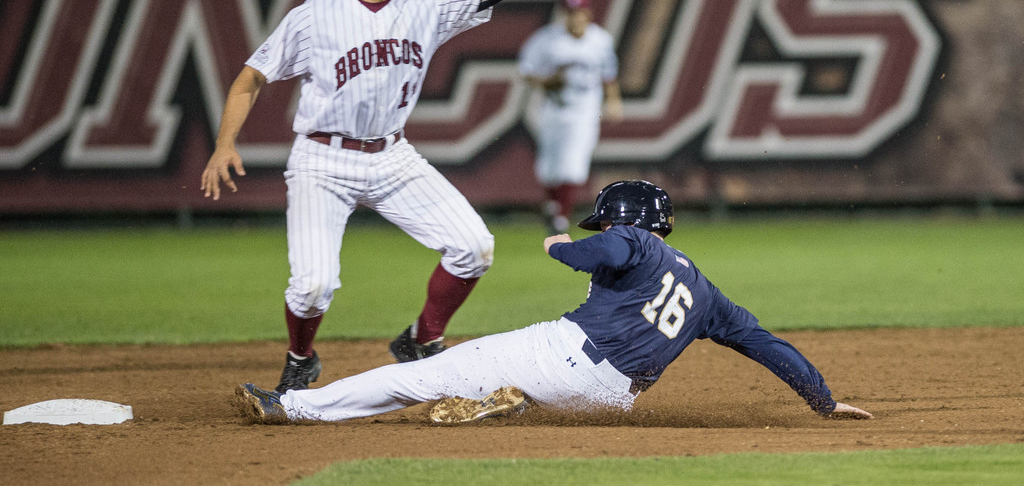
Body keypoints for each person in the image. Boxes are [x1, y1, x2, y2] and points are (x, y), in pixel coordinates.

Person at [200, 0, 601, 392]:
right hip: (322, 160)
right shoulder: (316, 14)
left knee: (474, 247)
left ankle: (420, 339)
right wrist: (224, 144)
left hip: (392, 156)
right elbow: (251, 77)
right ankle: (301, 357)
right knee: (313, 286)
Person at [232, 180, 874, 424]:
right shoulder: (704, 292)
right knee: (500, 377)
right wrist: (820, 397)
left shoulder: (628, 241)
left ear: (622, 220)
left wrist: (562, 246)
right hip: (612, 399)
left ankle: (291, 407)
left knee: (417, 376)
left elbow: (608, 253)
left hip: (566, 356)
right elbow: (765, 344)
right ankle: (499, 405)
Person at [518, 0, 623, 234]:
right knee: (550, 167)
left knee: (574, 164)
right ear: (563, 15)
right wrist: (544, 82)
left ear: (588, 13)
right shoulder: (547, 39)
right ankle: (553, 207)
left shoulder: (600, 40)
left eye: (579, 12)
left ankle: (560, 217)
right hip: (553, 107)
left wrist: (614, 101)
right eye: (570, 13)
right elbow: (526, 69)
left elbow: (609, 74)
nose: (575, 18)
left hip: (585, 109)